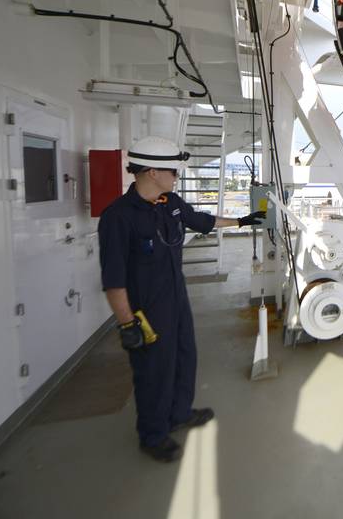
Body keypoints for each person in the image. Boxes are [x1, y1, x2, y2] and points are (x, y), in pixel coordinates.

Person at [98, 136, 265, 462]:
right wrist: (126, 324)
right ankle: (153, 434)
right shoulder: (118, 217)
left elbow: (202, 221)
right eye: (171, 170)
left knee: (184, 357)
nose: (176, 175)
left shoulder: (170, 202)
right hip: (146, 311)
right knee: (153, 371)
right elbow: (113, 282)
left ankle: (178, 412)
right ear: (150, 172)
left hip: (176, 299)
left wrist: (242, 221)